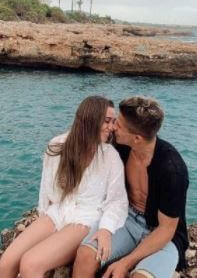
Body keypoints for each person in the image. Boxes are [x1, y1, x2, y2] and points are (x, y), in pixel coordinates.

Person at [0, 96, 128, 278]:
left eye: (113, 122)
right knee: (6, 262)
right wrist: (43, 223)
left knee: (30, 264)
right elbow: (46, 191)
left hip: (85, 219)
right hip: (58, 212)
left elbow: (117, 201)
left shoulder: (110, 156)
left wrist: (105, 229)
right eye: (107, 121)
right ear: (90, 119)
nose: (112, 127)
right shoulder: (57, 146)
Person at [72, 96, 189, 278]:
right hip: (126, 219)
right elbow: (85, 143)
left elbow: (166, 229)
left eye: (118, 125)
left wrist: (126, 263)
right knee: (86, 255)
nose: (113, 127)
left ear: (137, 138)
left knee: (141, 277)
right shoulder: (121, 146)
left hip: (162, 234)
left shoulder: (172, 170)